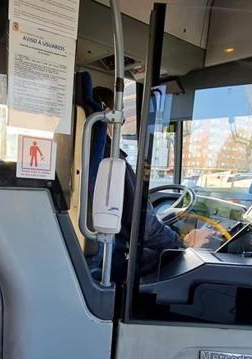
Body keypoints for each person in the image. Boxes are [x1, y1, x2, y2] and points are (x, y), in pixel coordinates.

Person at [88, 85, 215, 282]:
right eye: (119, 118)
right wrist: (183, 242)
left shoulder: (84, 155)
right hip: (110, 263)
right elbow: (144, 228)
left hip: (94, 257)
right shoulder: (111, 163)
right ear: (107, 115)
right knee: (174, 259)